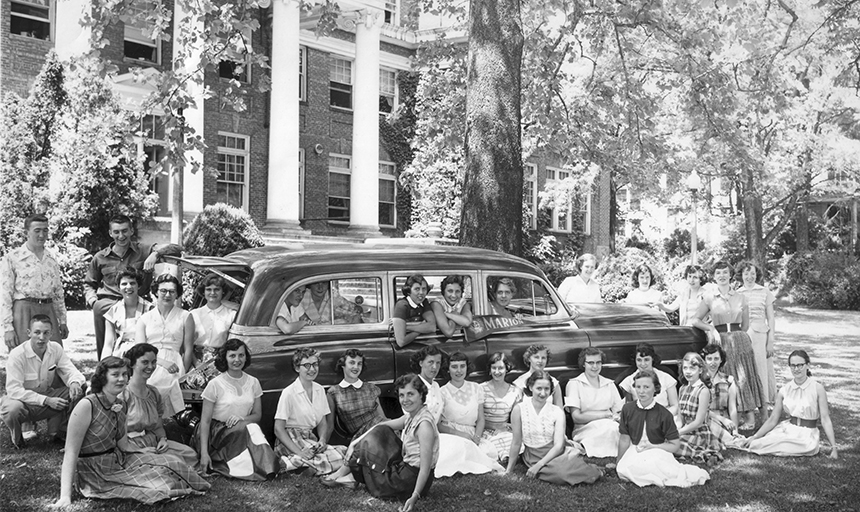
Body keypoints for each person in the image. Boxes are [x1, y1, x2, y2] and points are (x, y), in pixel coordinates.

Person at [53, 357, 209, 507]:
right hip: (96, 471)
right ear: (102, 378)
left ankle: (202, 486)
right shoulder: (87, 405)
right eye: (115, 375)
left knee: (171, 462)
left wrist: (145, 452)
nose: (121, 379)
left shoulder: (120, 404)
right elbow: (71, 452)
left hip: (119, 459)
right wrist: (65, 497)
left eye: (124, 374)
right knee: (162, 485)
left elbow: (123, 445)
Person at [323, 374, 439, 512]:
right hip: (405, 470)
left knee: (370, 454)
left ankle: (349, 475)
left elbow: (425, 468)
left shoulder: (424, 425)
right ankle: (349, 475)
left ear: (421, 395)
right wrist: (355, 443)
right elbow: (380, 426)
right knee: (381, 431)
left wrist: (415, 496)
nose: (405, 400)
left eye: (410, 394)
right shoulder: (411, 416)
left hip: (410, 481)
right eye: (402, 395)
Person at [84, 214, 179, 360]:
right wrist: (93, 301)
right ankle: (105, 371)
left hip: (138, 302)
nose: (121, 236)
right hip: (108, 303)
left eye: (124, 231)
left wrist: (156, 254)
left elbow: (176, 248)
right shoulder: (100, 257)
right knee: (106, 345)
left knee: (142, 345)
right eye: (116, 232)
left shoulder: (145, 250)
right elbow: (89, 283)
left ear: (131, 231)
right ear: (110, 233)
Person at [691, 260, 763, 432]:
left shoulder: (741, 297)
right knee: (727, 378)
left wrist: (738, 336)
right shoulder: (708, 298)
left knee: (744, 377)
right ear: (714, 277)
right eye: (718, 273)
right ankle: (730, 418)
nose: (722, 276)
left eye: (725, 272)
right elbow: (695, 320)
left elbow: (745, 325)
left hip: (739, 339)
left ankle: (750, 418)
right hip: (720, 341)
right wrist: (710, 328)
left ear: (730, 275)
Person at [197, 339, 279, 480]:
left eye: (241, 355)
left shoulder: (254, 382)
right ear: (225, 358)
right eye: (232, 356)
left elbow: (257, 415)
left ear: (246, 357)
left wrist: (242, 419)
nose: (237, 359)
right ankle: (268, 466)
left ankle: (268, 466)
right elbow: (205, 422)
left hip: (243, 430)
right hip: (217, 435)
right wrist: (204, 454)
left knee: (251, 426)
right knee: (250, 428)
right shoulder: (215, 384)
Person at [1, 315, 85, 448]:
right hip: (23, 403)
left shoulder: (55, 348)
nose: (41, 337)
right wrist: (46, 400)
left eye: (46, 333)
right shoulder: (17, 355)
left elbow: (71, 370)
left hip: (47, 397)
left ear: (51, 333)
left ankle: (61, 433)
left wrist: (74, 382)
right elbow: (14, 390)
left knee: (80, 389)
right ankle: (18, 440)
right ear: (29, 333)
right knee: (11, 409)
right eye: (37, 332)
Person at [506, 370, 601, 486]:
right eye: (539, 388)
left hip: (555, 453)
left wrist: (539, 465)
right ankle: (575, 468)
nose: (543, 393)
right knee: (560, 473)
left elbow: (558, 446)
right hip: (531, 455)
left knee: (561, 473)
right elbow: (516, 442)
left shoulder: (556, 412)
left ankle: (593, 471)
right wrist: (508, 470)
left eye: (546, 389)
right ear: (530, 387)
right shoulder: (519, 409)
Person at [616, 370, 710, 488]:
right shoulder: (627, 409)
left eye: (646, 387)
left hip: (657, 452)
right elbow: (624, 438)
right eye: (638, 387)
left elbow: (675, 445)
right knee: (625, 468)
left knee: (657, 469)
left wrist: (654, 446)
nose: (641, 391)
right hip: (635, 450)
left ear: (655, 388)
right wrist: (619, 461)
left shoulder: (664, 414)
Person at [741, 350, 838, 459]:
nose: (796, 369)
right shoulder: (785, 389)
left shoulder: (817, 388)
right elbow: (773, 419)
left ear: (807, 365)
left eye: (800, 365)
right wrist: (755, 436)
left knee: (784, 446)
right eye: (793, 366)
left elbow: (825, 419)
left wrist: (834, 447)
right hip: (787, 429)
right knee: (759, 443)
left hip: (807, 435)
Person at [122, 343, 198, 467]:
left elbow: (157, 426)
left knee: (190, 454)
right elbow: (116, 434)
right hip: (129, 445)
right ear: (132, 364)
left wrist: (163, 439)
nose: (150, 367)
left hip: (150, 440)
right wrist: (136, 449)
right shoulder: (123, 395)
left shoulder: (153, 393)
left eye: (153, 362)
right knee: (172, 463)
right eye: (145, 362)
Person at [273, 348, 347, 476]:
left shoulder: (319, 390)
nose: (312, 369)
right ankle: (293, 461)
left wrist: (322, 440)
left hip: (309, 439)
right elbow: (278, 429)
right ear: (297, 368)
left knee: (344, 452)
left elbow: (322, 422)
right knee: (334, 458)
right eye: (306, 365)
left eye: (315, 364)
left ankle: (300, 465)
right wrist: (299, 452)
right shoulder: (289, 392)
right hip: (290, 440)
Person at [1, 214, 68, 351]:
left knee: (53, 357)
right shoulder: (12, 258)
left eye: (45, 230)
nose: (42, 235)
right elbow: (4, 294)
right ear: (27, 233)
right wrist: (7, 328)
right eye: (37, 230)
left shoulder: (51, 259)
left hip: (48, 310)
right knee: (23, 358)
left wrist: (62, 320)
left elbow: (58, 293)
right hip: (24, 311)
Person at [435, 352, 504, 477]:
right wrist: (462, 435)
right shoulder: (442, 391)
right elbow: (438, 425)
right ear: (448, 369)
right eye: (454, 367)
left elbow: (481, 419)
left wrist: (476, 437)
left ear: (467, 368)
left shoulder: (476, 388)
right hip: (451, 434)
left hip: (472, 433)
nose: (459, 370)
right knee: (453, 456)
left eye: (462, 366)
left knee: (485, 454)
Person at [135, 274, 194, 418]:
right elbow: (139, 350)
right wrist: (161, 362)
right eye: (163, 291)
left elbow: (188, 349)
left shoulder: (185, 316)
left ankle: (164, 424)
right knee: (148, 383)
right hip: (149, 361)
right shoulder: (144, 319)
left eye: (172, 291)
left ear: (177, 294)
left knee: (168, 382)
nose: (167, 295)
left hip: (174, 363)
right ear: (156, 292)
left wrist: (183, 373)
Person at [565, 347, 623, 458]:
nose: (595, 366)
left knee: (614, 428)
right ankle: (588, 446)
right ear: (583, 364)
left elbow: (619, 411)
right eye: (590, 363)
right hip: (585, 428)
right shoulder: (574, 384)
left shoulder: (609, 384)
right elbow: (576, 417)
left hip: (609, 423)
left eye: (598, 362)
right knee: (611, 429)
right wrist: (604, 415)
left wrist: (617, 417)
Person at [737, 260, 776, 421]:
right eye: (746, 273)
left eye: (752, 273)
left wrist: (771, 341)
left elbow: (771, 318)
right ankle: (747, 410)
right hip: (744, 335)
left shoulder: (764, 291)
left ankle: (764, 412)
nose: (749, 276)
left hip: (761, 335)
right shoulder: (737, 293)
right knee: (744, 372)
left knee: (761, 371)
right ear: (741, 275)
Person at [325, 349, 387, 443]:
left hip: (380, 429)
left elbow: (382, 418)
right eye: (352, 363)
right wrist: (322, 443)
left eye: (359, 364)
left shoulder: (371, 388)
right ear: (343, 365)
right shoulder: (334, 392)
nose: (356, 367)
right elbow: (330, 426)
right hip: (361, 438)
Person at [675, 352, 721, 465]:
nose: (688, 372)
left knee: (671, 445)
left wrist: (678, 433)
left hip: (699, 433)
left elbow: (698, 422)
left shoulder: (703, 391)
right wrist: (673, 431)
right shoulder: (682, 388)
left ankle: (702, 453)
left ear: (700, 370)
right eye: (685, 368)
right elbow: (680, 419)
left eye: (692, 368)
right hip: (685, 430)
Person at [480, 352, 523, 464]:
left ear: (507, 369)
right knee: (490, 444)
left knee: (514, 440)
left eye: (501, 368)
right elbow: (476, 418)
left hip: (504, 429)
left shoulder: (515, 391)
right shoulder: (481, 389)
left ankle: (509, 456)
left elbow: (516, 419)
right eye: (494, 368)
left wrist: (507, 427)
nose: (497, 372)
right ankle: (503, 455)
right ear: (489, 370)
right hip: (485, 429)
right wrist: (494, 426)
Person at [102, 268, 153, 359]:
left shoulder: (150, 309)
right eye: (124, 284)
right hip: (120, 355)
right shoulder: (113, 312)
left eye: (132, 283)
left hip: (144, 354)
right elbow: (108, 345)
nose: (128, 287)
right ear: (118, 287)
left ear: (139, 286)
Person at [701, 344, 744, 448]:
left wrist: (735, 430)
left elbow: (732, 408)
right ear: (704, 360)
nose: (713, 362)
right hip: (705, 417)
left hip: (724, 422)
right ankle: (729, 441)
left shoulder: (729, 380)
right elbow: (701, 408)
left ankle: (729, 438)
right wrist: (720, 419)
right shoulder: (699, 380)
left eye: (716, 358)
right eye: (709, 359)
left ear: (721, 360)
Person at [618, 343, 679, 415]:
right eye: (639, 360)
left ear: (652, 359)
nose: (643, 364)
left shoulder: (666, 378)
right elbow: (629, 409)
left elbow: (675, 406)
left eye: (646, 360)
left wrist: (662, 417)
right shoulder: (628, 381)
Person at [189, 273, 237, 364]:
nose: (212, 293)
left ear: (223, 291)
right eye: (208, 289)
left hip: (221, 361)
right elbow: (186, 344)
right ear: (203, 292)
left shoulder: (231, 315)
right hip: (195, 361)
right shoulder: (194, 314)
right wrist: (196, 364)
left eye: (217, 289)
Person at [392, 274, 436, 347]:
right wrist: (422, 327)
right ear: (409, 291)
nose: (421, 292)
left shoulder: (424, 302)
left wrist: (406, 327)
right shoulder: (402, 305)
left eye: (424, 289)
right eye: (417, 289)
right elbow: (401, 342)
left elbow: (432, 327)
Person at [411, 345, 446, 422]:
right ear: (421, 363)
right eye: (431, 362)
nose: (434, 367)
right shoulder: (412, 386)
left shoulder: (436, 385)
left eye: (438, 363)